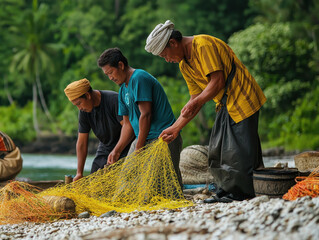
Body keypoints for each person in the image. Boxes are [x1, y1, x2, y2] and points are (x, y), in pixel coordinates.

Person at [145, 20, 266, 202]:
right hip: (225, 104)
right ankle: (227, 192)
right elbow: (195, 100)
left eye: (165, 55)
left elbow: (217, 82)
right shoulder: (184, 65)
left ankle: (239, 194)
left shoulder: (202, 45)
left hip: (242, 96)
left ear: (173, 43)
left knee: (237, 151)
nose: (167, 60)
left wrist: (198, 100)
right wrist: (176, 127)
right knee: (217, 151)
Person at [97, 48, 183, 186]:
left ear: (121, 65)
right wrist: (116, 151)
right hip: (142, 139)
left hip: (162, 137)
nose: (110, 77)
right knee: (127, 180)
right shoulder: (122, 90)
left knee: (164, 184)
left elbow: (146, 114)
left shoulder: (139, 78)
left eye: (111, 72)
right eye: (107, 75)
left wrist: (139, 149)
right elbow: (127, 124)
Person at [64, 78, 132, 182]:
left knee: (120, 179)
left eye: (79, 103)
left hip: (125, 145)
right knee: (95, 180)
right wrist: (79, 173)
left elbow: (129, 128)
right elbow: (82, 142)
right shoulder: (84, 111)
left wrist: (117, 151)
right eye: (76, 105)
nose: (79, 108)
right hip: (105, 146)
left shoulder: (114, 100)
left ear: (87, 95)